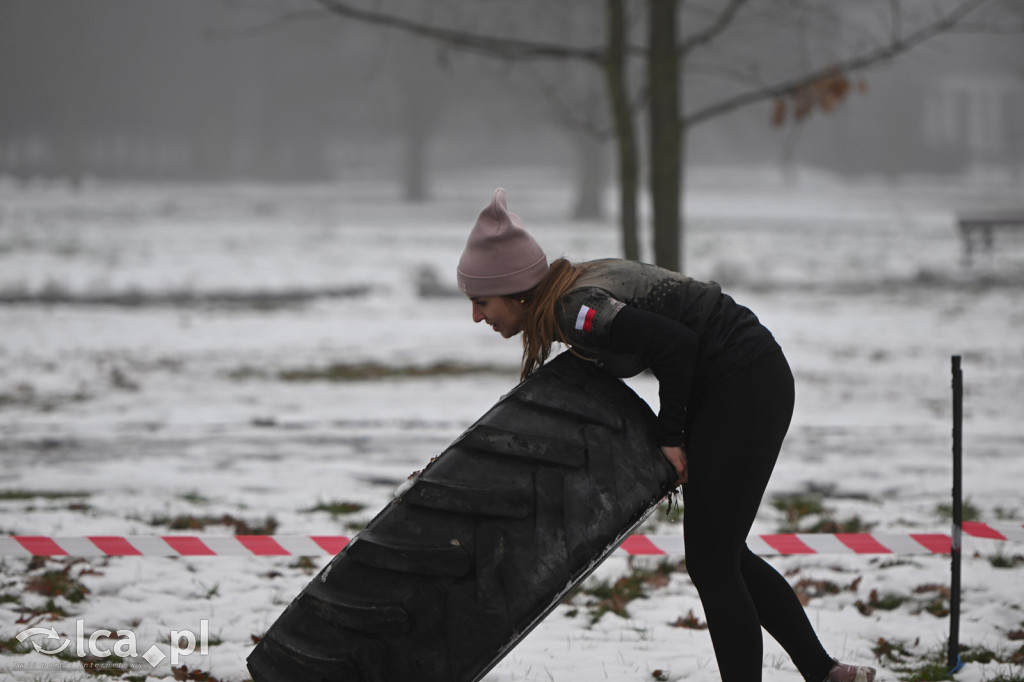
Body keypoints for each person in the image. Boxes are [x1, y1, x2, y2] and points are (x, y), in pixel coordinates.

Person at [456, 188, 877, 682]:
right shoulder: (571, 293)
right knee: (723, 555)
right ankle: (824, 673)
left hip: (744, 380)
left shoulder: (577, 310)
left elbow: (678, 346)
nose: (478, 316)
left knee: (712, 561)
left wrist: (670, 434)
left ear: (517, 290)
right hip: (737, 380)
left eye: (482, 302)